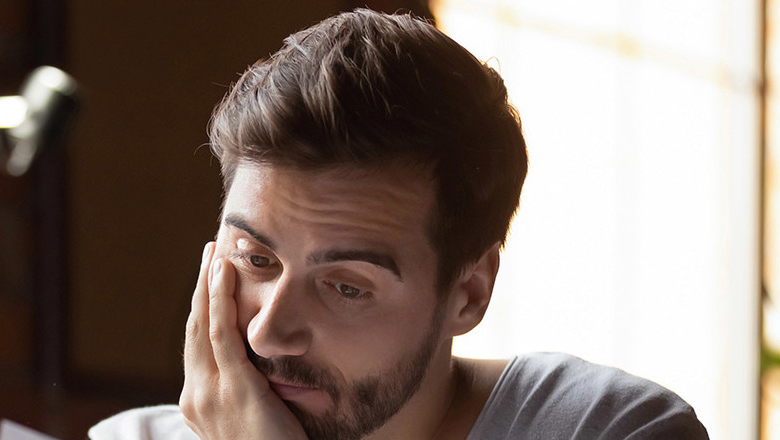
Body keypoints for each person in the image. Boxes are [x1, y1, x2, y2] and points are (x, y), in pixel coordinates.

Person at [88, 9, 708, 440]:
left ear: (468, 294)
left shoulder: (606, 430)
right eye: (255, 260)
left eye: (348, 287)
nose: (269, 334)